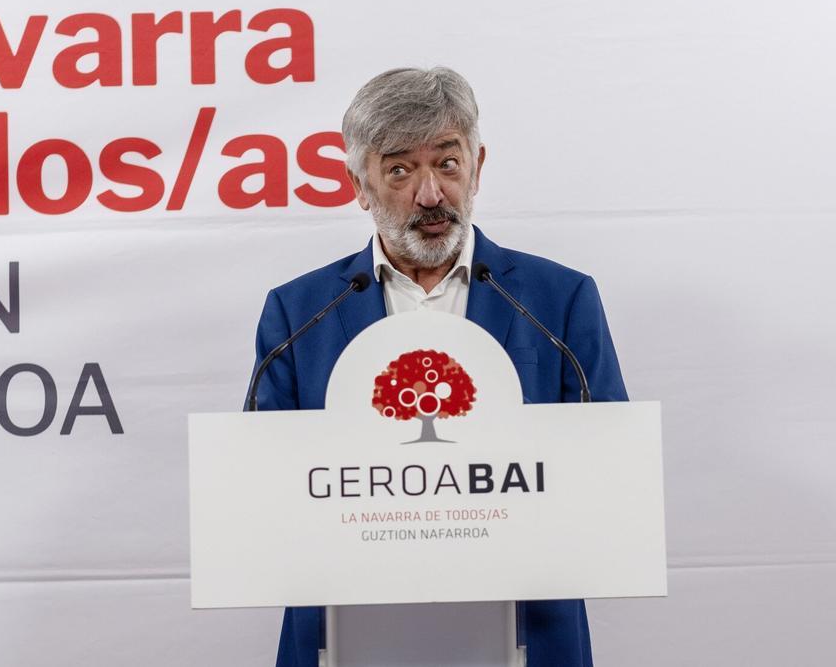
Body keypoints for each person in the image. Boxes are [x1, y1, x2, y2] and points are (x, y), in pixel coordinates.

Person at [251, 66, 627, 667]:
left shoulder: (559, 300)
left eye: (447, 164)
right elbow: (262, 485)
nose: (430, 195)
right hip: (343, 632)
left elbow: (609, 469)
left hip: (526, 630)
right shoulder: (299, 314)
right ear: (359, 184)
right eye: (400, 170)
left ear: (477, 166)